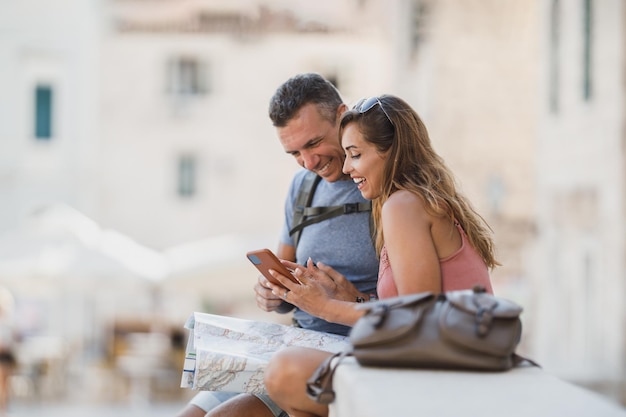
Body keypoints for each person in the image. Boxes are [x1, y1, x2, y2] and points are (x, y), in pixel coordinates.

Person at [263, 94, 498, 417]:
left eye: (356, 155)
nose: (347, 168)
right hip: (446, 359)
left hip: (445, 371)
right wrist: (354, 299)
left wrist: (325, 307)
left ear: (392, 152)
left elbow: (416, 315)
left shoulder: (402, 206)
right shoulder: (418, 201)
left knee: (285, 371)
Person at [175, 73, 379, 417]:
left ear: (343, 116)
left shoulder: (381, 188)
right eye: (295, 153)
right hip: (292, 343)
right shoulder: (303, 187)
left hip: (345, 353)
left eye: (314, 144)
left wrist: (349, 300)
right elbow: (284, 280)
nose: (308, 162)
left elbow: (412, 308)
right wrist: (272, 293)